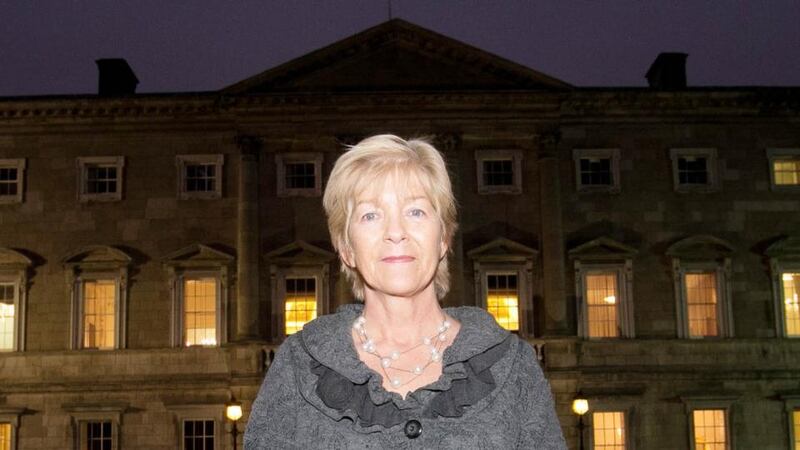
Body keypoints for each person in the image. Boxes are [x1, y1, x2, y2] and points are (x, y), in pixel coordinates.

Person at [244, 135, 566, 449]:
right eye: (370, 215)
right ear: (346, 249)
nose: (396, 232)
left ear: (444, 238)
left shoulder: (512, 365)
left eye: (415, 212)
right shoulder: (299, 366)